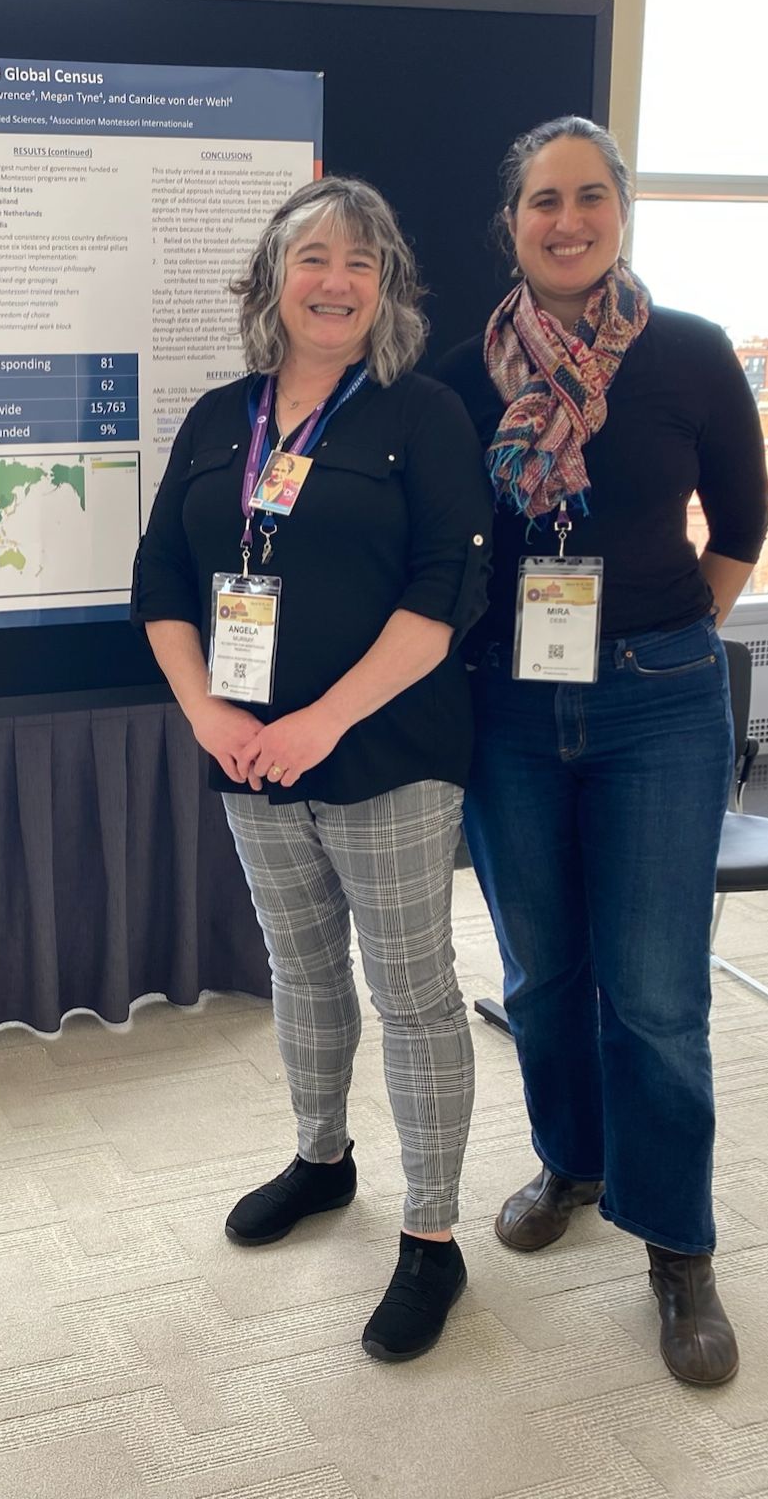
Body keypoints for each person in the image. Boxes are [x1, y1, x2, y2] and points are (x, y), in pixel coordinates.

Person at [132, 176, 491, 1362]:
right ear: (272, 282)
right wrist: (207, 716)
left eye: (361, 263)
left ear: (385, 289)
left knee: (412, 991)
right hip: (247, 758)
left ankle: (431, 1236)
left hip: (384, 754)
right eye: (312, 259)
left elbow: (445, 598)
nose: (335, 282)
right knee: (300, 972)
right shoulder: (216, 417)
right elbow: (163, 587)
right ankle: (322, 1159)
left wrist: (318, 724)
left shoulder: (422, 414)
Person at [435, 116, 768, 1386]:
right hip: (509, 708)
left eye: (587, 198)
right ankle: (570, 1159)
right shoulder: (465, 376)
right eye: (540, 203)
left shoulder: (686, 354)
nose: (565, 220)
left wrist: (663, 637)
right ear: (510, 224)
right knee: (538, 975)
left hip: (657, 702)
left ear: (619, 211)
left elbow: (739, 519)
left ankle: (677, 1244)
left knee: (655, 992)